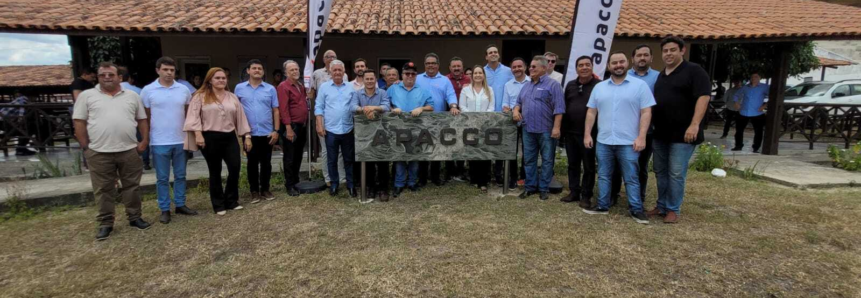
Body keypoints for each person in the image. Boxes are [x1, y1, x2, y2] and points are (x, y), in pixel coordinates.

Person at [73, 61, 151, 241]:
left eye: (111, 74)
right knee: (103, 189)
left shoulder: (132, 96)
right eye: (102, 75)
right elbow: (79, 122)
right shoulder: (87, 96)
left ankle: (135, 217)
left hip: (129, 150)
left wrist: (144, 141)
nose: (107, 78)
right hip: (99, 151)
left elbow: (142, 120)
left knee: (132, 186)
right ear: (98, 77)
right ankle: (106, 223)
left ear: (120, 78)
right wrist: (86, 147)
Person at [581, 52, 655, 225]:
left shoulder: (640, 85)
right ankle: (602, 206)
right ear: (609, 66)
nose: (618, 65)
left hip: (629, 142)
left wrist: (642, 136)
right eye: (614, 63)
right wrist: (587, 134)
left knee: (631, 177)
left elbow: (646, 112)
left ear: (627, 63)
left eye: (621, 61)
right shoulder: (600, 87)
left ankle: (636, 209)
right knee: (605, 175)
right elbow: (591, 111)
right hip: (604, 140)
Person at [651, 36, 712, 223]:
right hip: (661, 133)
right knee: (660, 171)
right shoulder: (662, 75)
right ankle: (661, 205)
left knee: (676, 172)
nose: (668, 54)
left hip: (683, 134)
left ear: (682, 51)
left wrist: (694, 125)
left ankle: (672, 209)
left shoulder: (694, 71)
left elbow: (703, 97)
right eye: (665, 51)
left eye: (672, 50)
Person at [184, 67, 252, 216]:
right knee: (215, 171)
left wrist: (247, 136)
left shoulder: (232, 97)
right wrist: (198, 134)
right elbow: (193, 117)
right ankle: (218, 204)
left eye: (223, 78)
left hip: (229, 137)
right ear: (209, 80)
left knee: (235, 167)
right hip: (210, 137)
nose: (221, 80)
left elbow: (241, 117)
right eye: (217, 78)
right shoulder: (199, 96)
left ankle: (231, 201)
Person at [140, 57, 198, 224]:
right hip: (159, 141)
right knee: (162, 178)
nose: (169, 73)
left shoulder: (183, 90)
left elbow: (188, 113)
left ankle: (180, 204)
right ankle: (165, 208)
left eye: (172, 70)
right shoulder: (148, 90)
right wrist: (147, 137)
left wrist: (190, 135)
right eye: (165, 70)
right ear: (158, 70)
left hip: (180, 139)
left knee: (181, 175)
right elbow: (145, 116)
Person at [609, 44, 659, 206]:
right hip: (622, 130)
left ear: (651, 58)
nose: (642, 58)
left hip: (646, 131)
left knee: (641, 167)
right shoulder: (622, 76)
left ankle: (639, 197)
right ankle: (613, 194)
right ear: (632, 59)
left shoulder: (658, 77)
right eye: (639, 55)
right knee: (616, 166)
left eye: (646, 55)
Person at [512, 56, 564, 201]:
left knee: (547, 160)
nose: (531, 69)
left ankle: (543, 189)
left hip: (546, 130)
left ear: (544, 68)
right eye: (530, 66)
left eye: (534, 66)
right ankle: (530, 187)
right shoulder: (526, 86)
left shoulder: (553, 85)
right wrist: (516, 111)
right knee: (529, 160)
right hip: (528, 129)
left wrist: (557, 128)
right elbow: (518, 103)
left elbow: (559, 109)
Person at [235, 59, 280, 203]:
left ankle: (265, 189)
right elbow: (237, 112)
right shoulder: (239, 88)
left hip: (267, 133)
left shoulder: (270, 89)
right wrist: (243, 133)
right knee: (252, 163)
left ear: (263, 71)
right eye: (254, 68)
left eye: (260, 68)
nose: (257, 70)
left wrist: (276, 130)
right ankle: (254, 191)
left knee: (266, 163)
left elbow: (275, 110)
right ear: (248, 71)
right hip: (249, 134)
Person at [387, 62, 433, 198]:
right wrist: (391, 109)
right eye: (407, 73)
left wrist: (421, 108)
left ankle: (412, 182)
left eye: (413, 73)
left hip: (416, 128)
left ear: (416, 75)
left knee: (414, 156)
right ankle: (399, 184)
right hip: (398, 127)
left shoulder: (423, 90)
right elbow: (384, 104)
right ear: (402, 75)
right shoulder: (393, 88)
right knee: (400, 156)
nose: (410, 76)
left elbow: (431, 106)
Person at [315, 60, 358, 197]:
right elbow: (319, 107)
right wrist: (319, 124)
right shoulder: (324, 87)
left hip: (347, 129)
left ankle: (351, 185)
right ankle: (334, 184)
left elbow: (355, 106)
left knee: (348, 159)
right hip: (331, 130)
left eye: (340, 70)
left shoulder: (350, 87)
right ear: (331, 72)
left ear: (344, 72)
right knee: (332, 159)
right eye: (335, 70)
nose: (338, 72)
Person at [415, 53, 459, 187]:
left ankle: (435, 177)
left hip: (438, 119)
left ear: (438, 65)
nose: (430, 65)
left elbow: (451, 95)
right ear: (425, 65)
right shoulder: (417, 78)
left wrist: (453, 106)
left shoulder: (445, 80)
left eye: (433, 63)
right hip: (420, 119)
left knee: (437, 148)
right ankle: (422, 178)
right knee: (421, 148)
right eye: (428, 63)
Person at [561, 56, 598, 210]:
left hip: (590, 134)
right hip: (570, 133)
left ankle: (586, 195)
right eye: (580, 65)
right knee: (572, 164)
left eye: (587, 65)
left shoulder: (599, 86)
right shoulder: (570, 85)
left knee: (589, 166)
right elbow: (564, 107)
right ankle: (574, 191)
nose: (584, 68)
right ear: (576, 69)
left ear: (592, 67)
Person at [351, 69, 392, 201]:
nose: (369, 81)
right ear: (363, 80)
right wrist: (364, 109)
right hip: (365, 134)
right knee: (368, 162)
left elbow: (386, 106)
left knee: (382, 162)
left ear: (375, 80)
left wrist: (373, 108)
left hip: (381, 132)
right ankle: (371, 188)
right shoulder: (357, 94)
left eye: (371, 79)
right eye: (367, 79)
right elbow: (352, 107)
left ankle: (383, 188)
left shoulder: (382, 92)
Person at [311, 50, 349, 187]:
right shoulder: (317, 74)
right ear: (323, 59)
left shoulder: (345, 77)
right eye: (328, 56)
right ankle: (328, 178)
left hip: (342, 124)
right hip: (325, 122)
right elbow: (314, 99)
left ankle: (341, 178)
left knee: (339, 153)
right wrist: (318, 122)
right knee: (327, 151)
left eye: (333, 56)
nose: (331, 58)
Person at [484, 44, 515, 186]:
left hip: (504, 115)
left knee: (501, 146)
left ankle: (499, 174)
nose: (493, 54)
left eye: (495, 52)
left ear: (499, 55)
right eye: (490, 52)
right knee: (486, 145)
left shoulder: (509, 71)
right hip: (486, 116)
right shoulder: (481, 72)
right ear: (486, 56)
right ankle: (486, 174)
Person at [460, 65, 495, 192]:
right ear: (472, 75)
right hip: (470, 125)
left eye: (480, 73)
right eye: (475, 73)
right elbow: (462, 106)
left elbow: (491, 107)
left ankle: (483, 181)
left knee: (484, 153)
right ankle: (474, 179)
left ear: (484, 75)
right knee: (473, 152)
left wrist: (483, 119)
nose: (478, 75)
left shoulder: (489, 90)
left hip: (485, 126)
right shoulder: (466, 90)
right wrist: (473, 118)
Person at [277, 60, 309, 197]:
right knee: (290, 157)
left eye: (296, 69)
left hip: (301, 125)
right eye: (292, 70)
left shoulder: (300, 86)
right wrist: (288, 128)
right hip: (291, 126)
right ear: (286, 73)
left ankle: (295, 180)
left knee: (298, 155)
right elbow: (283, 109)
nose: (295, 72)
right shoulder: (283, 86)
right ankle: (289, 185)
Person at [501, 57, 530, 189]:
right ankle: (512, 178)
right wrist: (509, 110)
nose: (517, 69)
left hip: (528, 122)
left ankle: (524, 177)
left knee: (527, 151)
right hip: (512, 122)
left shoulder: (531, 82)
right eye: (514, 67)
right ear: (511, 69)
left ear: (525, 67)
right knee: (511, 151)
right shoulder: (508, 85)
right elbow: (505, 104)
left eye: (519, 66)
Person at [444, 56, 471, 182]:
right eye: (453, 66)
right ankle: (449, 171)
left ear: (462, 67)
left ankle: (461, 170)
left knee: (462, 143)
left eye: (458, 66)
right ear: (449, 68)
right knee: (448, 143)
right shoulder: (445, 79)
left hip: (464, 116)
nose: (456, 68)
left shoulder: (468, 79)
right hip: (448, 115)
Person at [732, 71, 769, 153]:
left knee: (758, 132)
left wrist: (764, 106)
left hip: (757, 113)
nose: (753, 78)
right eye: (752, 77)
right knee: (739, 131)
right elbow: (736, 95)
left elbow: (772, 96)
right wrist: (736, 102)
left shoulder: (764, 87)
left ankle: (756, 147)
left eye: (756, 77)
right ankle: (738, 146)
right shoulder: (745, 87)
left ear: (759, 78)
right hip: (744, 112)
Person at [0, 91, 38, 155]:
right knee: (27, 130)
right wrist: (20, 121)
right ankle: (20, 149)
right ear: (32, 97)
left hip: (5, 121)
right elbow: (21, 111)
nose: (36, 100)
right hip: (3, 121)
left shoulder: (21, 98)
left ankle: (20, 148)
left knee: (24, 129)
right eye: (35, 98)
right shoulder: (23, 100)